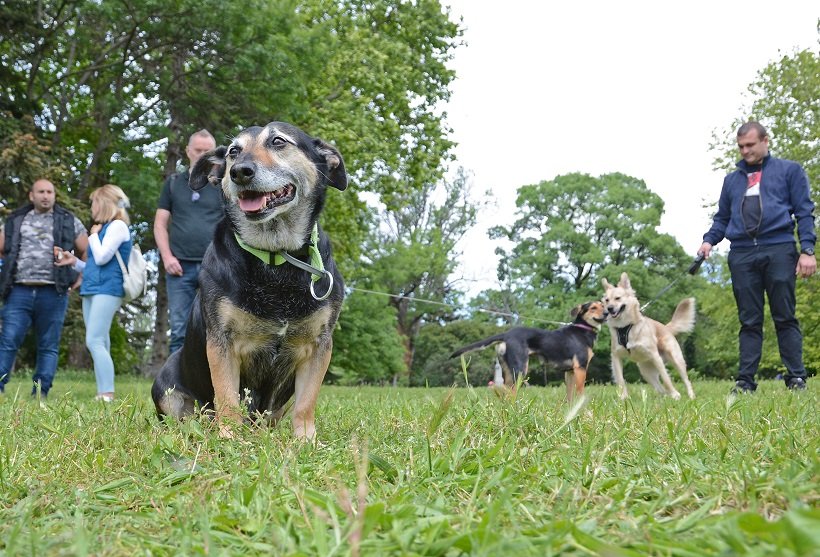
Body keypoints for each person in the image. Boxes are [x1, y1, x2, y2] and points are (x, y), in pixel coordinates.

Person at [699, 121, 816, 393]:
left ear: (765, 141)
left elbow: (804, 211)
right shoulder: (732, 180)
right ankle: (745, 381)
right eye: (741, 146)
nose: (745, 151)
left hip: (779, 248)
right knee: (749, 320)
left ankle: (796, 377)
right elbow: (722, 218)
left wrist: (807, 250)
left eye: (750, 145)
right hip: (741, 253)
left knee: (784, 315)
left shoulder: (789, 171)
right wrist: (708, 240)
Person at [0, 178, 88, 398]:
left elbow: (87, 252)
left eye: (50, 191)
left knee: (48, 345)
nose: (46, 195)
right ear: (32, 195)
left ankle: (40, 392)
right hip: (18, 290)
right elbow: (2, 248)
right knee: (8, 340)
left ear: (54, 195)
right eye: (41, 191)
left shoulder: (68, 220)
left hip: (54, 291)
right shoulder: (15, 219)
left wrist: (82, 277)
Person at [56, 185, 132, 402]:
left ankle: (107, 393)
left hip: (107, 289)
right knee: (101, 341)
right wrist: (76, 263)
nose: (92, 207)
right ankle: (103, 391)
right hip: (93, 288)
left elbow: (100, 257)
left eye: (94, 203)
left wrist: (92, 235)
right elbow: (94, 265)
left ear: (104, 203)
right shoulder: (106, 228)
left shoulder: (117, 226)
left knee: (94, 340)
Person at [154, 129, 223, 354]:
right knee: (179, 330)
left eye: (207, 151)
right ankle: (174, 386)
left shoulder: (223, 185)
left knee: (216, 328)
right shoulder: (173, 183)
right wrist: (167, 257)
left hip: (215, 267)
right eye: (198, 150)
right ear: (188, 151)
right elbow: (160, 224)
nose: (202, 155)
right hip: (179, 268)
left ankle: (211, 384)